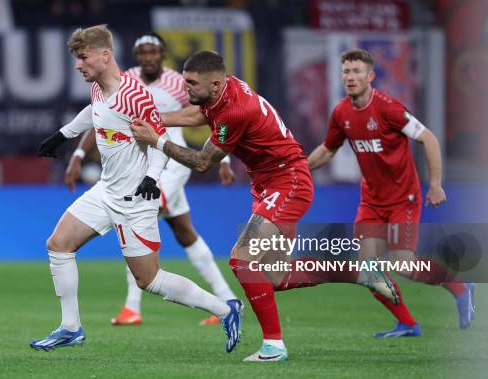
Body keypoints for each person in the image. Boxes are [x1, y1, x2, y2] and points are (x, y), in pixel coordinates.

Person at [131, 50, 399, 362]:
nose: (185, 88)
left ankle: (274, 346)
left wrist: (157, 140)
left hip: (288, 183)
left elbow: (203, 162)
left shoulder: (236, 110)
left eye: (191, 83)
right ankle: (360, 273)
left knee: (242, 259)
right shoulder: (223, 93)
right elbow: (198, 115)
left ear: (216, 84)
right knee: (275, 277)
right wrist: (155, 118)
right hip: (270, 184)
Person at [30, 26, 243, 353]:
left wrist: (152, 178)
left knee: (150, 280)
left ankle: (225, 308)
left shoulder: (134, 96)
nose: (78, 64)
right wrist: (62, 135)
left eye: (83, 57)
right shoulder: (100, 87)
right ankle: (70, 327)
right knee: (58, 245)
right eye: (76, 58)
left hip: (134, 200)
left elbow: (161, 139)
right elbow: (94, 113)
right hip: (106, 191)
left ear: (104, 56)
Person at [306, 49, 476, 336]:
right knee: (368, 272)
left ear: (370, 76)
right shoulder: (342, 113)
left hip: (403, 199)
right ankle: (408, 324)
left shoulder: (389, 109)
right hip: (371, 200)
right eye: (346, 71)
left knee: (403, 265)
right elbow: (327, 150)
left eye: (357, 71)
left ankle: (460, 287)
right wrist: (298, 168)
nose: (350, 77)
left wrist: (435, 184)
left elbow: (429, 139)